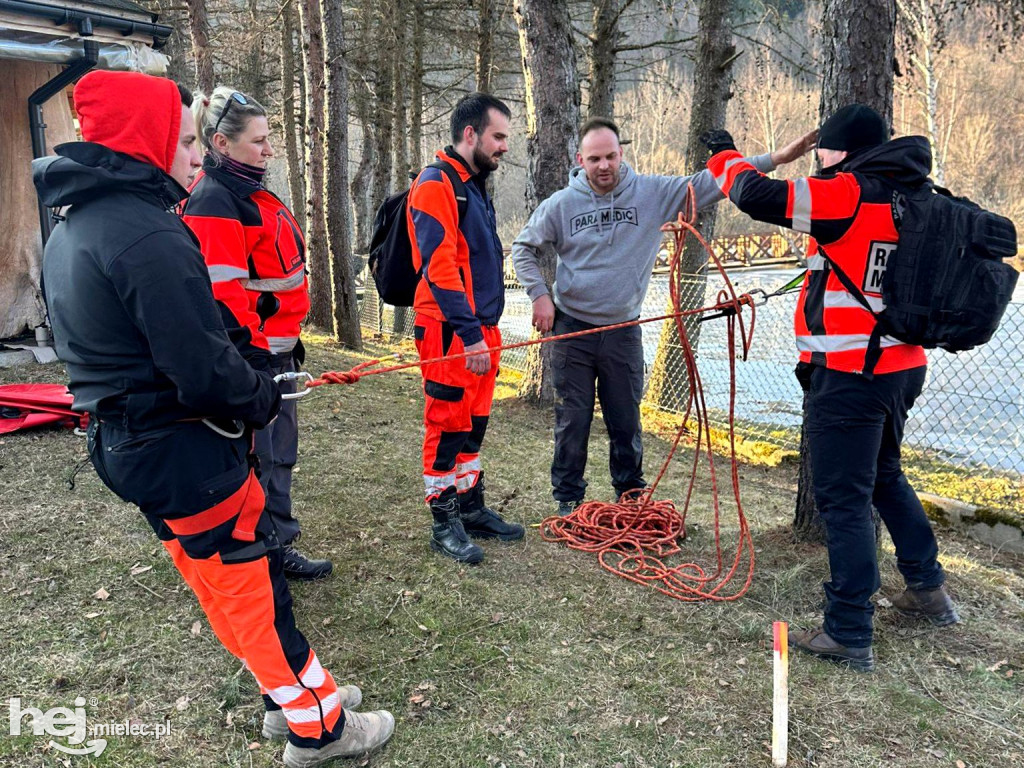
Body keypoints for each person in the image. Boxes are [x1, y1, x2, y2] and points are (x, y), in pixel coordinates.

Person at [34, 70, 393, 765]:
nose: (195, 157)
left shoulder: (76, 229)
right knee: (252, 588)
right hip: (180, 452)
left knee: (221, 582)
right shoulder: (147, 236)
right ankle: (319, 730)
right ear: (150, 140)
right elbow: (199, 369)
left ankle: (287, 695)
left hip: (131, 446)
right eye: (187, 140)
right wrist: (262, 393)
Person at [702, 104, 960, 672]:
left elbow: (754, 195)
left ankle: (848, 629)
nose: (818, 158)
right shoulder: (915, 196)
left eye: (824, 149)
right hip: (902, 365)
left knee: (842, 498)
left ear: (841, 151)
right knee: (884, 476)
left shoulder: (849, 192)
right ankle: (928, 588)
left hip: (849, 375)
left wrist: (722, 153)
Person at [511, 117, 815, 516]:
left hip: (623, 329)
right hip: (573, 329)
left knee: (626, 419)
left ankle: (631, 497)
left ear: (621, 154)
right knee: (573, 418)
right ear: (579, 159)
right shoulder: (561, 205)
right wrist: (539, 296)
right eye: (594, 159)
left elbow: (713, 181)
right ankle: (569, 499)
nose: (604, 166)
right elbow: (523, 248)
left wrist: (778, 157)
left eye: (611, 156)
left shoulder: (652, 193)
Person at [181, 86, 331, 581]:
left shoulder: (248, 191)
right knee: (261, 459)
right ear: (221, 143)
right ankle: (267, 552)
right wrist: (259, 366)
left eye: (269, 139)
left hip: (276, 352)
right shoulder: (215, 201)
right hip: (255, 359)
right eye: (259, 140)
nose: (269, 150)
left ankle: (276, 540)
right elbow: (222, 298)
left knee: (278, 455)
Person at [407, 92, 524, 564]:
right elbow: (440, 268)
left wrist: (484, 332)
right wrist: (470, 333)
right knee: (446, 424)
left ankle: (470, 506)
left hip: (482, 330)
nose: (504, 147)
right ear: (470, 134)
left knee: (473, 425)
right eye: (498, 137)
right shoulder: (436, 184)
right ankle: (443, 520)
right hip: (450, 332)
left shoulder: (473, 185)